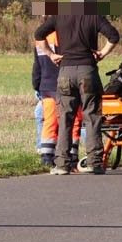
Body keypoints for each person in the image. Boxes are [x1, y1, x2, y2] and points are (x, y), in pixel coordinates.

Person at [33, 3, 120, 175]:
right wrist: (102, 53)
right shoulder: (93, 16)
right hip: (87, 70)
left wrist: (51, 55)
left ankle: (62, 164)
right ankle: (94, 162)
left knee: (65, 117)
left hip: (65, 71)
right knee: (92, 116)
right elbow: (114, 36)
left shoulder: (59, 17)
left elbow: (38, 34)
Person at [32, 28, 83, 169]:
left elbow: (37, 65)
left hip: (47, 86)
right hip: (66, 83)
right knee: (74, 120)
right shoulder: (67, 34)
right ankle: (71, 158)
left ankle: (47, 157)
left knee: (50, 121)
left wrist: (37, 85)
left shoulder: (41, 37)